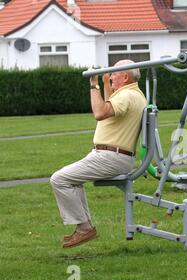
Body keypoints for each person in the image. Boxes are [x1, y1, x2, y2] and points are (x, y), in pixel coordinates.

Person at [50, 60, 147, 248]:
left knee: (59, 179)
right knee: (70, 179)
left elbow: (100, 112)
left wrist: (93, 84)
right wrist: (104, 83)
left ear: (125, 76)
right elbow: (111, 104)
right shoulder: (133, 94)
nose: (110, 76)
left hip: (111, 157)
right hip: (115, 156)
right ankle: (83, 228)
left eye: (114, 74)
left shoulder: (126, 95)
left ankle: (84, 229)